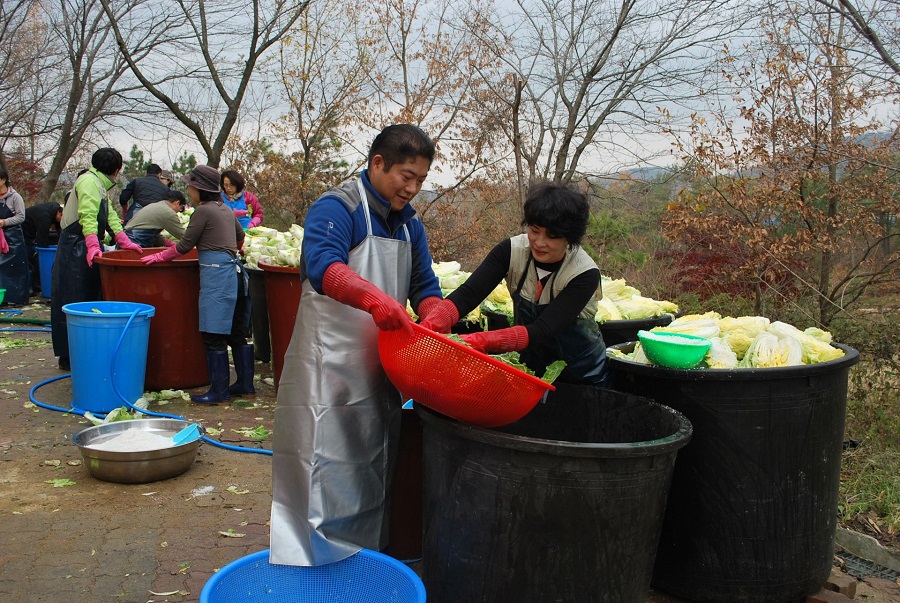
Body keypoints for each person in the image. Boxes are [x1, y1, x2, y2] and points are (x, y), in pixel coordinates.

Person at [268, 125, 444, 567]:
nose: (412, 187)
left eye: (421, 179)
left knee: (371, 468)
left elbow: (424, 283)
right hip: (326, 367)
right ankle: (309, 563)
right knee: (320, 468)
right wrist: (371, 297)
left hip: (379, 368)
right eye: (406, 175)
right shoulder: (339, 206)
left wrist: (436, 312)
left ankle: (363, 563)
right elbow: (322, 264)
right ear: (377, 162)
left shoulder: (411, 224)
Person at [421, 182, 609, 386]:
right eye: (535, 230)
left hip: (581, 374)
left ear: (570, 238)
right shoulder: (510, 251)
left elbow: (542, 329)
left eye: (552, 236)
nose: (539, 242)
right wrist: (430, 326)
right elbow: (469, 293)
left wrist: (474, 342)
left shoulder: (584, 274)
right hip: (531, 368)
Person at [141, 165, 252, 404]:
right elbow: (240, 237)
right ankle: (245, 384)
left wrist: (160, 256)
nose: (189, 190)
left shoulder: (203, 212)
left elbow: (184, 245)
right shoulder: (225, 210)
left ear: (200, 188)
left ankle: (219, 392)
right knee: (235, 332)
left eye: (191, 186)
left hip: (216, 275)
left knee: (213, 334)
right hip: (233, 272)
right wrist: (232, 249)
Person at [51, 148, 143, 370]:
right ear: (117, 169)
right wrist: (92, 244)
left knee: (91, 296)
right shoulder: (88, 182)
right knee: (73, 297)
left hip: (86, 245)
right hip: (75, 246)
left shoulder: (100, 184)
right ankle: (70, 355)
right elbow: (88, 215)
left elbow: (109, 214)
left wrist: (123, 240)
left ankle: (87, 349)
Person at [0, 169, 29, 306]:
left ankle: (18, 298)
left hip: (13, 236)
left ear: (3, 180)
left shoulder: (15, 197)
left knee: (16, 268)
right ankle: (3, 298)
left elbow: (21, 217)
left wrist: (4, 222)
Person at [23, 201, 63, 296]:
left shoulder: (54, 208)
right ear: (59, 213)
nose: (61, 221)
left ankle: (37, 284)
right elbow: (42, 238)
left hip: (31, 226)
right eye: (61, 218)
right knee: (29, 257)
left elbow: (59, 230)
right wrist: (44, 250)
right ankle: (31, 285)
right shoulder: (44, 216)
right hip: (25, 229)